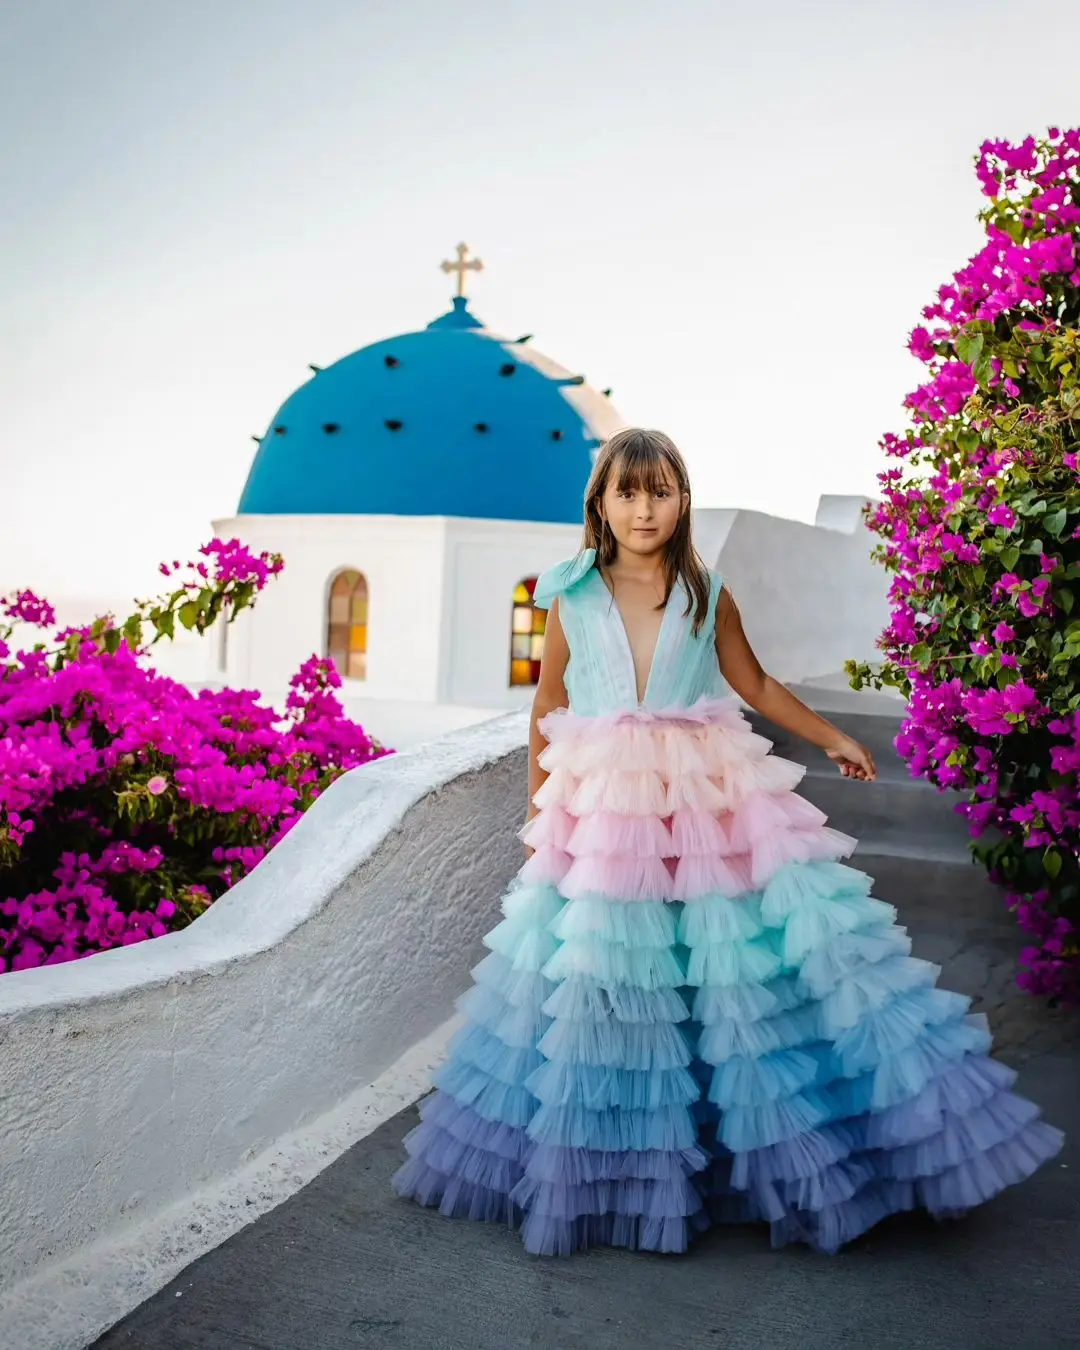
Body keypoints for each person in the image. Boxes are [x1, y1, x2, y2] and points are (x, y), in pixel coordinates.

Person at [392, 426, 1063, 1257]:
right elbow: (546, 709)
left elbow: (753, 685)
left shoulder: (707, 593)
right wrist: (541, 814)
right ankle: (618, 1168)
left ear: (683, 501)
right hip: (604, 805)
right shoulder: (570, 592)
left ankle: (755, 1154)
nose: (645, 508)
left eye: (662, 491)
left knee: (728, 966)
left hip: (704, 791)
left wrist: (830, 737)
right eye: (628, 492)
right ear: (600, 503)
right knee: (610, 974)